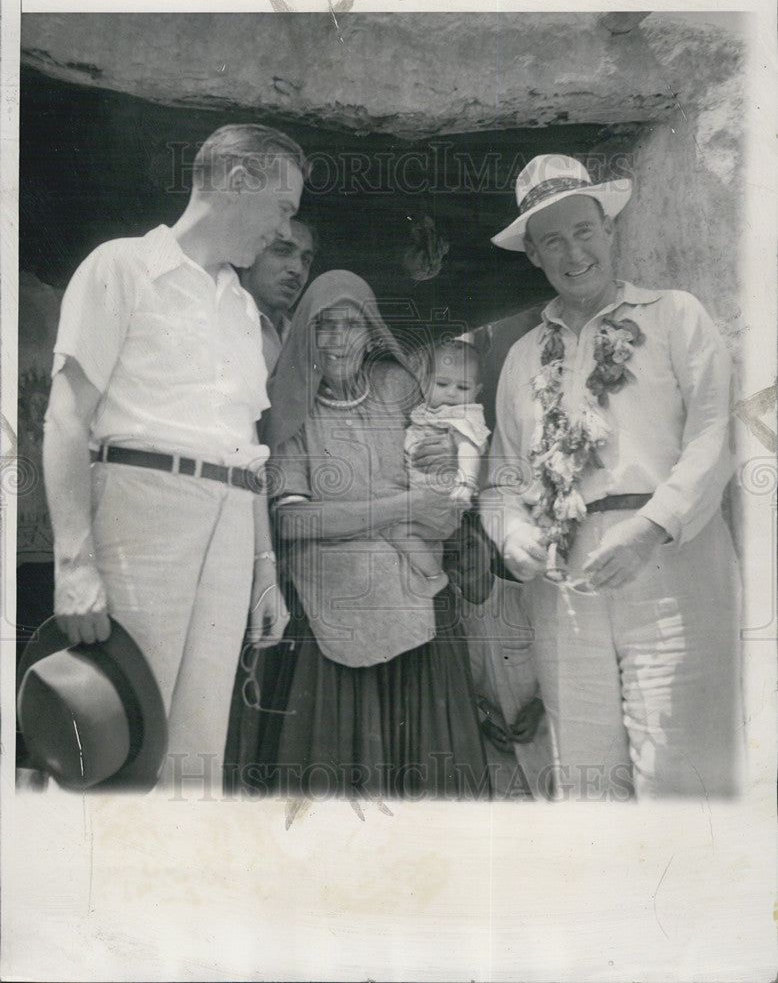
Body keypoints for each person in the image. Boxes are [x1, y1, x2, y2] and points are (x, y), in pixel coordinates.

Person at [41, 123, 306, 791]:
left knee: (197, 750)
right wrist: (75, 563)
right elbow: (67, 416)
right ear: (239, 181)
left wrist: (265, 570)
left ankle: (179, 889)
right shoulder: (122, 266)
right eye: (283, 207)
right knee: (121, 734)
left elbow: (244, 448)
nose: (283, 232)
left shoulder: (246, 310)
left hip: (228, 524)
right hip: (143, 511)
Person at [481, 153, 743, 800]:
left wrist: (651, 527)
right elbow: (501, 479)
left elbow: (719, 432)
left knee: (680, 774)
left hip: (669, 565)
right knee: (588, 784)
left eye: (583, 231)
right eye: (552, 242)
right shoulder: (520, 359)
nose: (573, 254)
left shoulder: (676, 317)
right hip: (563, 584)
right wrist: (512, 535)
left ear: (610, 228)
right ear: (534, 257)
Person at [228, 270, 490, 800]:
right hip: (331, 614)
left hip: (415, 604)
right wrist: (403, 505)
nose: (339, 339)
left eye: (352, 325)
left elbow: (442, 503)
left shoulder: (400, 389)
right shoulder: (290, 406)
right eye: (325, 325)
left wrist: (446, 462)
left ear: (370, 330)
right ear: (307, 332)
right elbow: (292, 521)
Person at [383, 336, 490, 581]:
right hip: (423, 499)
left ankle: (435, 577)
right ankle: (430, 573)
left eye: (463, 388)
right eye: (442, 384)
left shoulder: (463, 415)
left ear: (477, 391)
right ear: (426, 381)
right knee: (400, 533)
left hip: (442, 502)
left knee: (398, 532)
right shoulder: (427, 411)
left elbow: (469, 449)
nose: (452, 393)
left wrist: (465, 484)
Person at [237, 217, 317, 373]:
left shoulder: (305, 339)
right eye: (283, 251)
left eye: (306, 260)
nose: (297, 269)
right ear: (248, 255)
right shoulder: (217, 322)